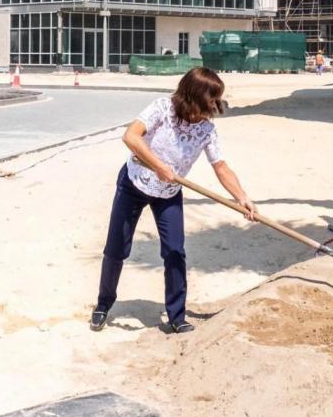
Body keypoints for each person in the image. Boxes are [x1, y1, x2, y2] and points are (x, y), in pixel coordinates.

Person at [91, 67, 255, 334]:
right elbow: (130, 136)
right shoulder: (161, 109)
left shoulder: (206, 130)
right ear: (194, 96)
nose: (215, 105)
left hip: (168, 193)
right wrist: (158, 166)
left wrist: (242, 197)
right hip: (134, 183)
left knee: (175, 250)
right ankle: (103, 304)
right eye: (211, 99)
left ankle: (177, 316)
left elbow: (221, 166)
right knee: (116, 248)